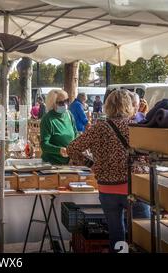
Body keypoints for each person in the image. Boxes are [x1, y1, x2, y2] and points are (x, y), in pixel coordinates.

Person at [66, 89, 150, 252]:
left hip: (107, 189)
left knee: (116, 234)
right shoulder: (136, 127)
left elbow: (72, 148)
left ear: (107, 106)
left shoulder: (99, 128)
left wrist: (91, 164)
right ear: (129, 106)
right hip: (133, 188)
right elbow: (150, 154)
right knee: (143, 234)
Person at [40, 89, 78, 165]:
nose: (65, 104)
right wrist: (59, 150)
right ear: (53, 104)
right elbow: (44, 145)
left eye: (66, 101)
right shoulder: (47, 119)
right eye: (61, 103)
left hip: (70, 163)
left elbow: (76, 135)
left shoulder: (69, 115)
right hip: (51, 164)